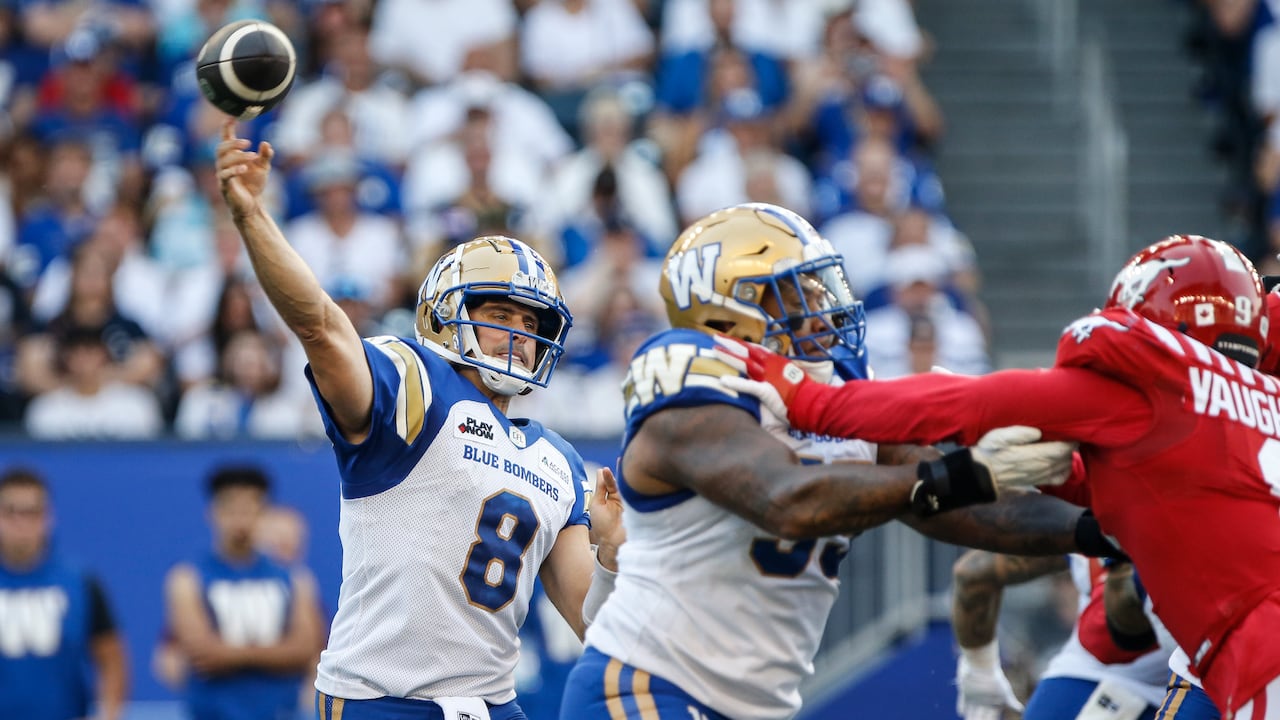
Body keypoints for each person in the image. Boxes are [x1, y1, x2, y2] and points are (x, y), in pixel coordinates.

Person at [561, 202, 1122, 720]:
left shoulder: (835, 388)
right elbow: (786, 500)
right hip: (644, 682)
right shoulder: (687, 393)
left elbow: (959, 508)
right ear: (729, 314)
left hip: (753, 705)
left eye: (818, 288)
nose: (820, 313)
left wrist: (1109, 531)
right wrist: (965, 474)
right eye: (794, 294)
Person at [716, 234, 1280, 719]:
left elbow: (969, 402)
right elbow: (1159, 491)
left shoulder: (1157, 393)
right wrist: (1057, 478)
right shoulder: (1260, 403)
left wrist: (808, 399)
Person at [214, 120, 625, 719]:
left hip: (493, 704)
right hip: (380, 700)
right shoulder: (413, 380)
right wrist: (254, 218)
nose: (519, 333)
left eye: (533, 323)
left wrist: (612, 555)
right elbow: (321, 327)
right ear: (445, 315)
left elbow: (598, 626)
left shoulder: (557, 460)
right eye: (499, 312)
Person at [162, 466, 322, 720]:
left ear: (264, 513)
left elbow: (304, 648)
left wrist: (230, 655)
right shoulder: (187, 578)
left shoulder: (295, 579)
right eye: (231, 509)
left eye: (250, 508)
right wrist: (277, 655)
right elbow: (202, 651)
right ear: (213, 512)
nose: (240, 520)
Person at [952, 550, 1170, 720]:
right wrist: (980, 671)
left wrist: (979, 666)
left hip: (1177, 681)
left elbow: (974, 571)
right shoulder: (1085, 527)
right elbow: (974, 571)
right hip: (1116, 683)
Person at [0, 467, 128, 720]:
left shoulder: (79, 582)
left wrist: (109, 714)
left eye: (31, 512)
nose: (20, 522)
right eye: (10, 512)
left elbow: (112, 659)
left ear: (48, 517)